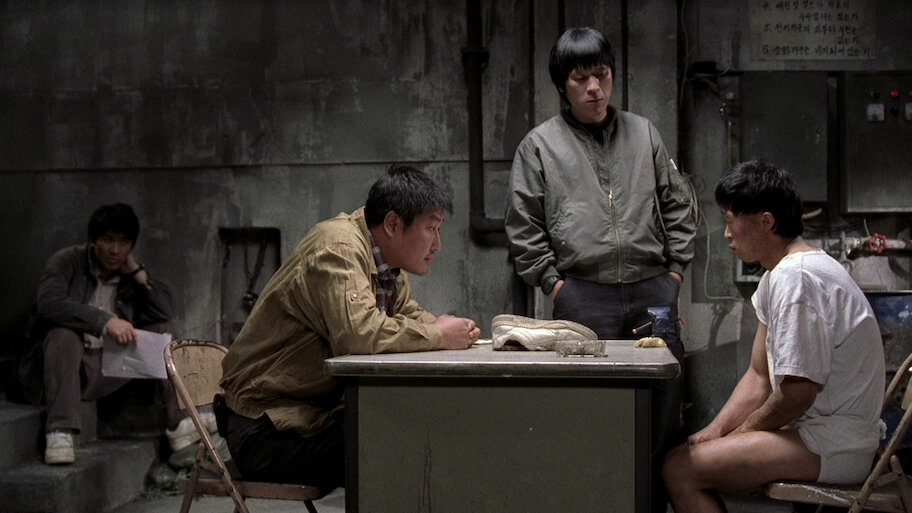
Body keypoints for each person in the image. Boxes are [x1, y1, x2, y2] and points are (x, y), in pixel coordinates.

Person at [503, 26, 696, 511]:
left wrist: (674, 271)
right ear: (562, 85)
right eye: (581, 79)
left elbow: (677, 203)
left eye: (602, 75)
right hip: (582, 296)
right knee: (584, 410)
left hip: (654, 292)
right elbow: (523, 225)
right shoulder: (540, 145)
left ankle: (651, 504)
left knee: (662, 407)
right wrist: (554, 284)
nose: (594, 88)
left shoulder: (643, 133)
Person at [217, 164, 480, 492]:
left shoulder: (387, 266)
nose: (437, 245)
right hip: (264, 428)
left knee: (413, 422)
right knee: (398, 441)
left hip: (307, 417)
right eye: (431, 229)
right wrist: (440, 335)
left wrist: (460, 333)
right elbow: (359, 335)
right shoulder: (338, 249)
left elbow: (410, 316)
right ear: (393, 224)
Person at [662, 159, 886, 513]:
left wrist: (743, 434)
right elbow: (759, 375)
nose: (726, 233)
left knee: (680, 470)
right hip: (817, 432)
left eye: (731, 220)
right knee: (687, 456)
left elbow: (797, 393)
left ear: (766, 222)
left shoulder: (797, 278)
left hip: (836, 442)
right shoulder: (778, 275)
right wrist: (716, 431)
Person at [33, 203, 197, 465]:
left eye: (124, 242)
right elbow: (48, 305)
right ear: (93, 240)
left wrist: (139, 274)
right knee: (62, 334)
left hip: (109, 365)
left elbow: (166, 310)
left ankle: (179, 423)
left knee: (165, 329)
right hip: (70, 366)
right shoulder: (67, 261)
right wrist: (105, 321)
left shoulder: (127, 273)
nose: (115, 250)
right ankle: (60, 431)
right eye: (108, 240)